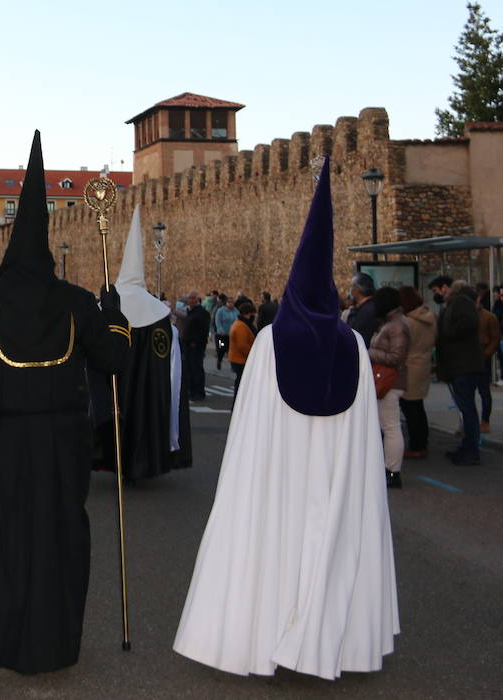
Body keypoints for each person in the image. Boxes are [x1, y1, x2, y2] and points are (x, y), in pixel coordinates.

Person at [173, 158, 397, 679]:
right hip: (335, 475)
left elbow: (250, 420)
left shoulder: (273, 342)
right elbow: (363, 428)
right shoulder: (355, 344)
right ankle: (331, 642)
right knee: (332, 540)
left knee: (272, 541)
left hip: (278, 473)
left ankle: (263, 634)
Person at [0, 131, 129, 674]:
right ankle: (51, 645)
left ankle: (0, 641)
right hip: (63, 444)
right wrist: (113, 315)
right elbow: (115, 361)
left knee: (0, 539)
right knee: (57, 537)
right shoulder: (76, 302)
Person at [92, 204, 187, 482]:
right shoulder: (156, 311)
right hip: (146, 386)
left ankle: (113, 461)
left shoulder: (107, 305)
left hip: (114, 381)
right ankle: (143, 462)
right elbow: (169, 355)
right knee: (142, 417)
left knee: (116, 418)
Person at [437, 280, 485, 465]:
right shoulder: (459, 303)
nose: (441, 293)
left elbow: (466, 325)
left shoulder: (460, 302)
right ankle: (468, 446)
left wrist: (446, 331)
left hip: (462, 364)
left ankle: (471, 449)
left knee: (467, 409)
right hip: (460, 364)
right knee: (466, 408)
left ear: (451, 289)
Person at [367, 287, 408, 489]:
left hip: (390, 381)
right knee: (389, 425)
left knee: (390, 426)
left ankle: (393, 471)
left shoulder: (395, 325)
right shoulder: (393, 323)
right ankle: (390, 468)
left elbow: (396, 357)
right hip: (388, 380)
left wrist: (371, 352)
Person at [398, 286, 434, 459]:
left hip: (409, 366)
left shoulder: (408, 322)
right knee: (417, 407)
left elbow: (402, 346)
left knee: (411, 409)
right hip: (423, 363)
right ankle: (422, 444)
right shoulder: (429, 317)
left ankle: (417, 446)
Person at [475, 285, 499, 433]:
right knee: (466, 393)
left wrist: (486, 355)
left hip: (482, 358)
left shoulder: (489, 317)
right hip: (467, 359)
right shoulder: (465, 316)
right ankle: (466, 421)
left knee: (484, 392)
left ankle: (485, 420)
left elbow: (495, 339)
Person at [181, 291, 210, 401]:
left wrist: (195, 341)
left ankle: (198, 392)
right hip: (187, 344)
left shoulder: (202, 313)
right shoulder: (191, 312)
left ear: (197, 299)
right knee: (189, 369)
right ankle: (191, 391)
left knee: (196, 368)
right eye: (189, 298)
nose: (190, 300)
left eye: (192, 298)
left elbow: (203, 330)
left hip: (196, 346)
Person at [227, 300, 257, 397]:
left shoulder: (241, 324)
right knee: (241, 382)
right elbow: (242, 346)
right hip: (240, 359)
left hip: (239, 357)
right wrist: (252, 356)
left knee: (241, 381)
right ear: (248, 313)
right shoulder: (241, 326)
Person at [345, 273, 379, 343]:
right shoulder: (366, 307)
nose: (350, 290)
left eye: (352, 286)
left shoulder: (368, 310)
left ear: (357, 289)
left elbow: (355, 332)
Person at [212, 295, 238, 370]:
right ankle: (219, 360)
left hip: (231, 335)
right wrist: (220, 330)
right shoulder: (220, 311)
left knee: (230, 350)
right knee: (221, 348)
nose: (231, 304)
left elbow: (237, 321)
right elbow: (218, 322)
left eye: (232, 302)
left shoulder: (236, 311)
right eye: (229, 302)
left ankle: (232, 365)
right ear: (226, 303)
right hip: (221, 336)